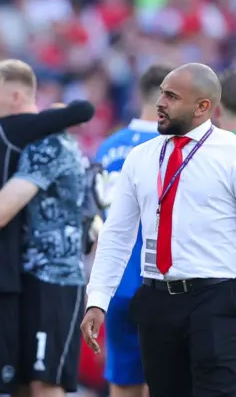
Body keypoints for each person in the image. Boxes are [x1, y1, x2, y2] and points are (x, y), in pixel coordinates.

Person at [82, 63, 236, 397]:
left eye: (172, 96)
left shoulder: (231, 153)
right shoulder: (140, 156)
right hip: (156, 297)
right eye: (161, 92)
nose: (160, 102)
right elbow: (117, 234)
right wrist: (98, 300)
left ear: (202, 107)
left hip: (217, 298)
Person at [0, 60, 94, 397]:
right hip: (20, 278)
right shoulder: (20, 140)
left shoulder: (50, 144)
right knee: (21, 384)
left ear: (14, 97)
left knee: (45, 385)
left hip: (53, 280)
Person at [95, 64, 172, 397]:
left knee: (124, 383)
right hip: (163, 281)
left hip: (116, 281)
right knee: (170, 380)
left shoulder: (107, 147)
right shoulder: (173, 147)